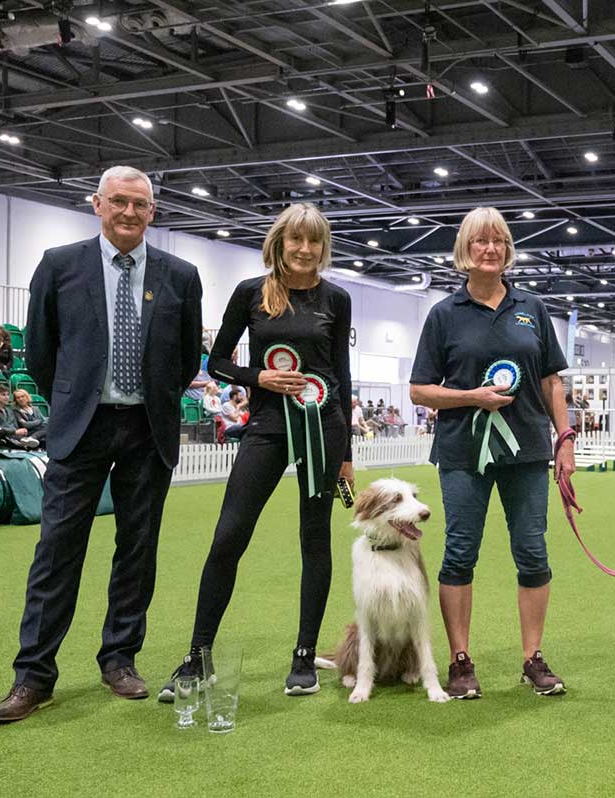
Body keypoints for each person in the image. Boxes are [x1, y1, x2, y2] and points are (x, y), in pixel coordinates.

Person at [0, 166, 203, 725]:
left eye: (141, 204)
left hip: (147, 427)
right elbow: (39, 350)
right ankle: (33, 675)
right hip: (79, 427)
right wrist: (80, 395)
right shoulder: (60, 265)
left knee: (137, 550)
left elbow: (183, 360)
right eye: (120, 202)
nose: (131, 213)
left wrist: (146, 396)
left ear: (153, 211)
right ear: (97, 205)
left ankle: (120, 658)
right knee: (57, 551)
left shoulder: (181, 274)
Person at [160, 203, 353, 701]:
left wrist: (347, 451)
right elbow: (218, 361)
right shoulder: (250, 294)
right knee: (228, 535)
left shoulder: (337, 298)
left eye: (314, 242)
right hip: (266, 424)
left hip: (323, 425)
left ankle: (304, 656)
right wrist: (259, 378)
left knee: (315, 539)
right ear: (279, 243)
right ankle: (197, 657)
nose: (305, 250)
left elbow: (343, 375)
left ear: (322, 246)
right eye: (296, 240)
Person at [409, 206, 574, 699]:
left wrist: (564, 441)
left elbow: (551, 382)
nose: (490, 249)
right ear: (465, 250)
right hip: (463, 452)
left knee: (532, 551)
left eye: (499, 241)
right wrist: (471, 397)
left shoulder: (532, 309)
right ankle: (461, 660)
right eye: (480, 241)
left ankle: (533, 657)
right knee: (460, 552)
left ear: (508, 250)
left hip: (527, 450)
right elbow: (420, 390)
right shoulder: (444, 315)